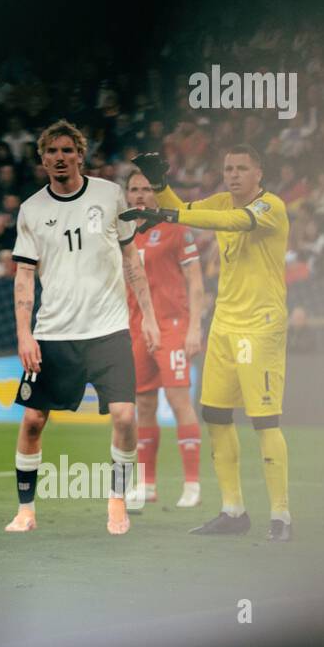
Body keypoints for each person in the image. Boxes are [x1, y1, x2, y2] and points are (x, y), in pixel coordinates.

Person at [125, 145, 293, 541]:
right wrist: (161, 188)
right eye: (228, 168)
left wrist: (171, 213)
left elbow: (233, 222)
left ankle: (281, 516)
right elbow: (183, 209)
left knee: (264, 420)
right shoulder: (219, 202)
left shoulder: (271, 207)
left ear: (258, 172)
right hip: (224, 324)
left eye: (241, 168)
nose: (233, 175)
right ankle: (233, 511)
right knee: (215, 415)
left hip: (260, 325)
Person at [6, 120, 160, 536]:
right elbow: (24, 277)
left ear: (80, 155)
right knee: (33, 420)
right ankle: (25, 511)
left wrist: (148, 316)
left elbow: (131, 259)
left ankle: (117, 500)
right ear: (42, 159)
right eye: (51, 151)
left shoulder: (109, 195)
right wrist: (24, 333)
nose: (60, 158)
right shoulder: (31, 210)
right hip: (54, 334)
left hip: (109, 330)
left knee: (125, 417)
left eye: (67, 150)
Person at [122, 169, 205, 508]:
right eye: (134, 189)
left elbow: (196, 282)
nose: (140, 194)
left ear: (157, 193)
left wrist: (194, 327)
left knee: (178, 399)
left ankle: (192, 484)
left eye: (146, 188)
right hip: (137, 327)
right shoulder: (122, 232)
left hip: (172, 325)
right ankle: (147, 485)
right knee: (143, 404)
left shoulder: (176, 229)